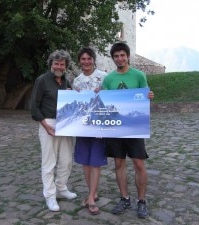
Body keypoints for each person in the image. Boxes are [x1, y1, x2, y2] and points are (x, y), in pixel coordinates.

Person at [102, 42, 154, 219]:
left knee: (139, 164)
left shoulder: (138, 75)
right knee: (119, 163)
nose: (119, 58)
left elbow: (144, 100)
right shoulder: (108, 79)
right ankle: (124, 198)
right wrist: (99, 94)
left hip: (134, 125)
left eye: (122, 55)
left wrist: (149, 97)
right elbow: (105, 102)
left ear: (128, 56)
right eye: (116, 56)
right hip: (115, 126)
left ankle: (141, 201)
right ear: (113, 58)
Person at [31, 49, 77, 212]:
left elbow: (74, 102)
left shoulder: (67, 81)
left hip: (66, 123)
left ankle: (61, 188)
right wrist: (45, 125)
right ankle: (50, 196)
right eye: (56, 63)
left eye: (62, 64)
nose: (59, 66)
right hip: (48, 122)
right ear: (51, 64)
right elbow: (34, 107)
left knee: (66, 161)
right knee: (49, 162)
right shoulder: (42, 80)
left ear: (66, 66)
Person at [72, 47, 108, 215]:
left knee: (95, 162)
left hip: (99, 126)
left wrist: (104, 92)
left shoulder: (104, 77)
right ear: (79, 61)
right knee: (86, 162)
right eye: (83, 59)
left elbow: (111, 99)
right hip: (82, 126)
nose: (86, 62)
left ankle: (91, 198)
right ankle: (92, 192)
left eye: (89, 58)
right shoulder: (77, 81)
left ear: (94, 60)